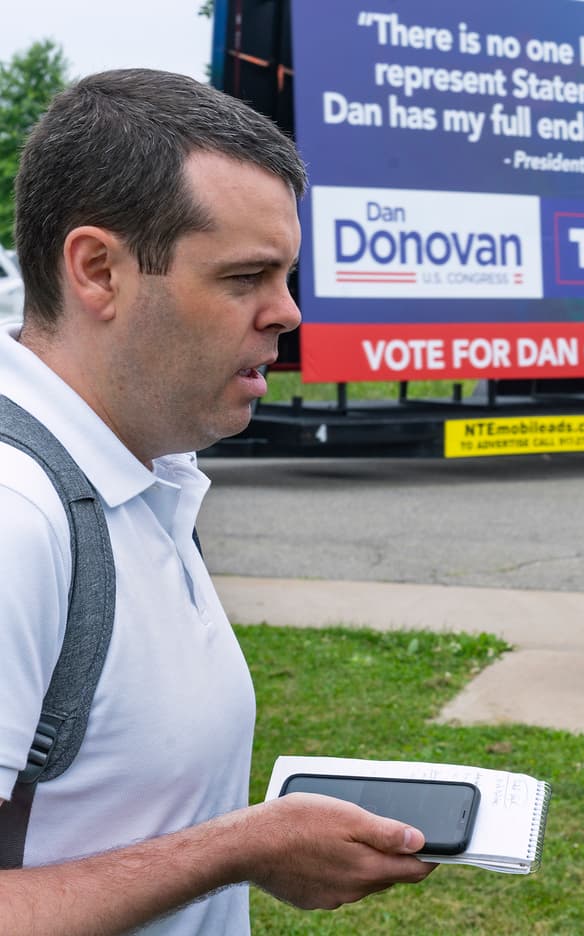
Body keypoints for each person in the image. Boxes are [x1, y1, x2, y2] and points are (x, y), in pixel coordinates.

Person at [0, 69, 433, 935]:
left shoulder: (145, 471)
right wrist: (238, 849)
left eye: (288, 274)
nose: (289, 312)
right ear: (98, 271)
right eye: (247, 277)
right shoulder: (19, 520)